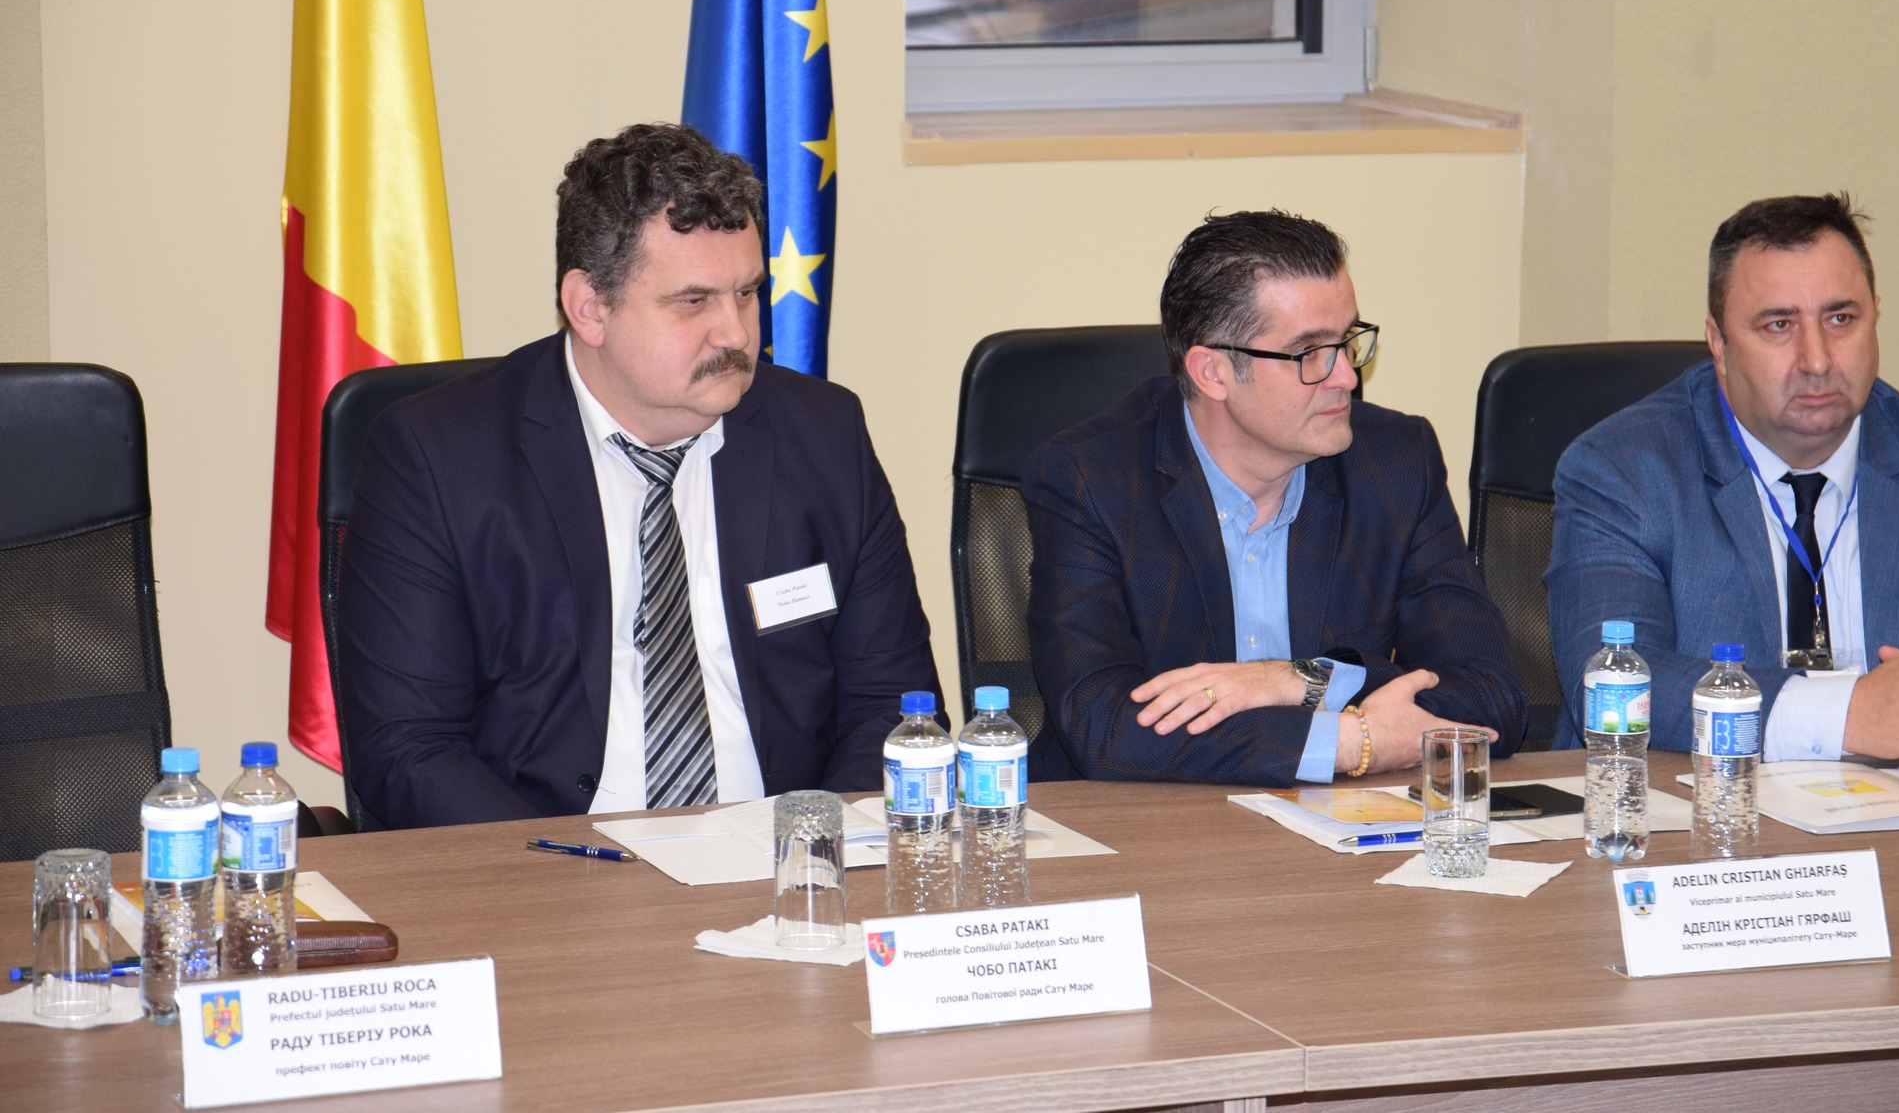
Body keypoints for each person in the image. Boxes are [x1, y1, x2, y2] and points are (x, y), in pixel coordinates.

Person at [339, 123, 940, 828]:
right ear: (590, 307)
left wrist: (811, 848)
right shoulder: (437, 458)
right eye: (694, 301)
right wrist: (561, 872)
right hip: (552, 859)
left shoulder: (824, 435)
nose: (736, 333)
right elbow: (408, 747)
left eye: (747, 293)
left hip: (784, 854)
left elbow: (893, 704)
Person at [1021, 210, 1526, 785]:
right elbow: (1101, 726)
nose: (1347, 377)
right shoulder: (1091, 479)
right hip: (1145, 822)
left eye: (1348, 340)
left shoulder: (1395, 464)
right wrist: (1348, 741)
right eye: (1309, 353)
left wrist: (1291, 681)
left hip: (1338, 823)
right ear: (1213, 373)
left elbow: (1491, 700)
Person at [1548, 193, 1899, 763]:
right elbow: (1614, 683)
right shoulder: (1622, 470)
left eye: (1841, 319)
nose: (1817, 360)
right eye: (1779, 325)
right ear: (1718, 344)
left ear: (1875, 315)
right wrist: (1849, 716)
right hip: (1696, 807)